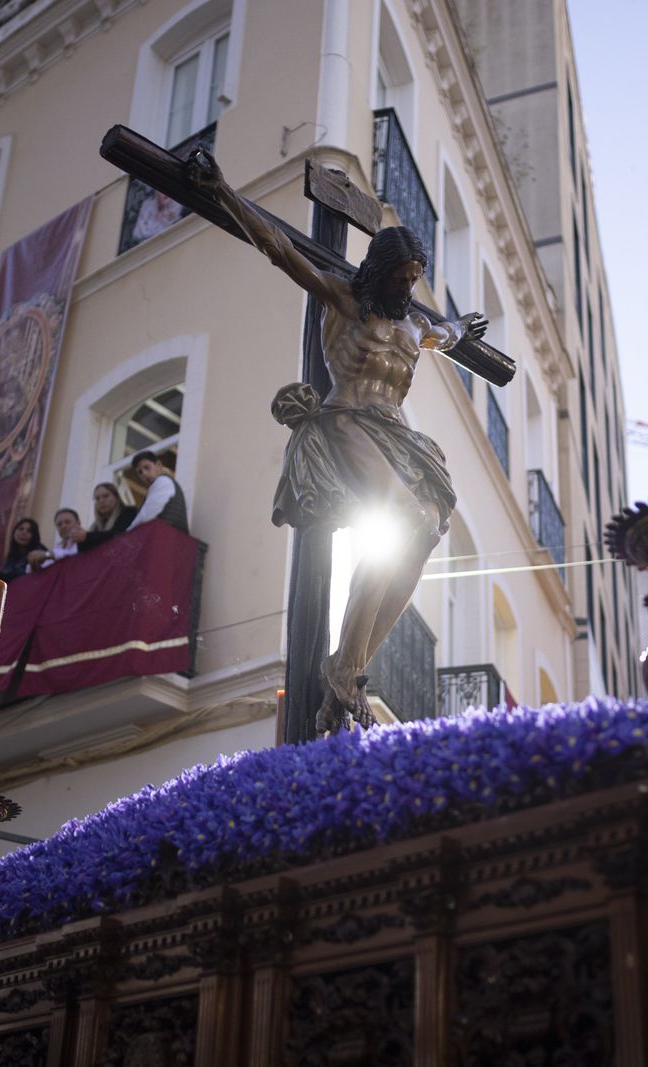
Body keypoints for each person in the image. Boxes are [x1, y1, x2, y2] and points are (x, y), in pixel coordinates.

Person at [186, 147, 487, 732]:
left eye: (415, 278)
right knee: (399, 515)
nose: (408, 286)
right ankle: (343, 674)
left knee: (423, 528)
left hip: (397, 433)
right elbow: (279, 250)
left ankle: (345, 668)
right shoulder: (344, 298)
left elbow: (446, 335)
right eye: (402, 277)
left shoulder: (416, 323)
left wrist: (463, 327)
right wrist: (223, 191)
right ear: (380, 271)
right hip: (347, 418)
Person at [124, 450, 190, 534]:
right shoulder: (160, 484)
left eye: (147, 467)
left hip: (169, 539)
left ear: (158, 465)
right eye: (140, 472)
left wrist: (127, 534)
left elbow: (146, 515)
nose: (144, 473)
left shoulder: (162, 481)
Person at [69, 481, 137, 553]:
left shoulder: (129, 512)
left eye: (106, 496)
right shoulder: (95, 527)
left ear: (116, 497)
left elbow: (118, 535)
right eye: (97, 498)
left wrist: (86, 537)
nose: (101, 501)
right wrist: (78, 539)